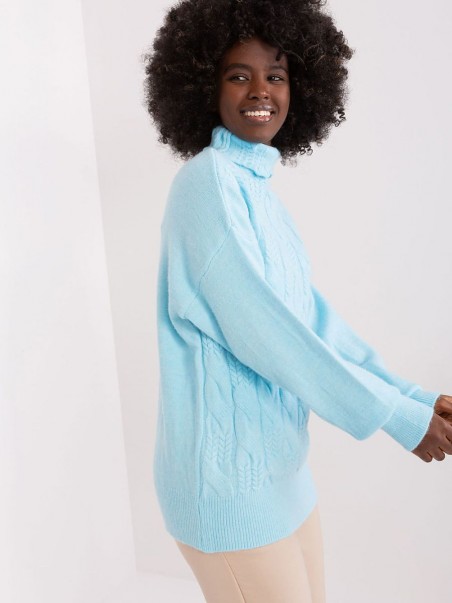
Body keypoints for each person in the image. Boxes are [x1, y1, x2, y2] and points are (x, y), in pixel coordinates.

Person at [141, 1, 452, 601]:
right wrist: (395, 418)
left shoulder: (259, 191)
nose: (261, 90)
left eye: (276, 75)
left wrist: (412, 397)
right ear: (204, 87)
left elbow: (312, 322)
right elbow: (270, 336)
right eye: (239, 75)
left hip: (284, 473)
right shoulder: (206, 184)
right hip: (227, 486)